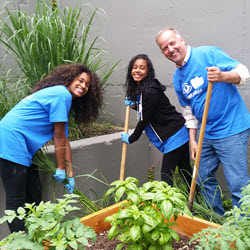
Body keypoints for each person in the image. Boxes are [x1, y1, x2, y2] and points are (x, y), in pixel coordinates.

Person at [156, 27, 250, 215]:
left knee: (238, 184)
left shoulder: (207, 54)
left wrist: (223, 76)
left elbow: (244, 73)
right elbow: (189, 113)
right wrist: (193, 140)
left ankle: (242, 231)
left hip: (231, 128)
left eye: (172, 43)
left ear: (181, 40)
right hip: (206, 134)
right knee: (202, 176)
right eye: (164, 48)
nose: (170, 49)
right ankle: (217, 220)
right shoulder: (177, 77)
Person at [0, 63, 103, 233]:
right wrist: (61, 167)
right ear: (70, 79)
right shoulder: (62, 95)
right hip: (11, 139)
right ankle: (20, 243)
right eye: (80, 80)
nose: (83, 86)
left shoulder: (62, 98)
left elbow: (65, 139)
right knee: (16, 199)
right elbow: (58, 137)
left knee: (34, 192)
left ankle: (37, 235)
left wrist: (69, 174)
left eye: (87, 85)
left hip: (20, 143)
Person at [121, 54, 193, 187]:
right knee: (185, 171)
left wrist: (131, 138)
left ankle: (168, 206)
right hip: (179, 131)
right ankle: (197, 201)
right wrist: (135, 106)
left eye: (142, 68)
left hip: (174, 135)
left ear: (148, 71)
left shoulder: (149, 91)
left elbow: (144, 119)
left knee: (166, 176)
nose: (137, 70)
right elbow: (151, 110)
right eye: (135, 67)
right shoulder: (144, 89)